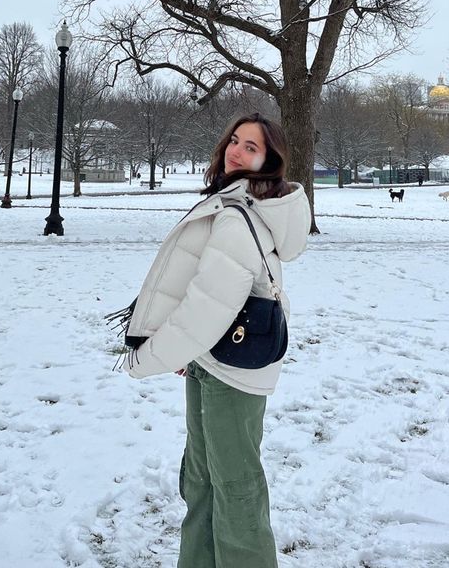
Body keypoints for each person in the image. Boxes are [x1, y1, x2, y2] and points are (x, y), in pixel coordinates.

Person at [119, 113, 310, 568]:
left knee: (235, 488)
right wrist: (192, 351)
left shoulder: (238, 219)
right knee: (201, 481)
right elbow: (199, 292)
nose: (237, 151)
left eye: (251, 147)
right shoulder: (230, 203)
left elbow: (206, 309)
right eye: (235, 141)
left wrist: (150, 357)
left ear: (269, 161)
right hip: (212, 360)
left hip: (235, 374)